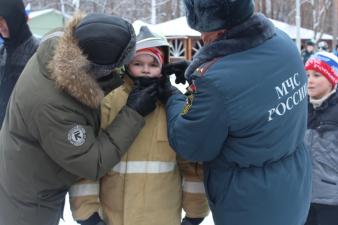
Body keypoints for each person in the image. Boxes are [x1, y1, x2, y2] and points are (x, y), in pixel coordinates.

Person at [161, 0, 312, 225]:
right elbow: (251, 86)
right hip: (293, 182)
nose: (202, 38)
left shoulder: (214, 83)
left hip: (250, 201)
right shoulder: (281, 42)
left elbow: (191, 144)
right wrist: (202, 70)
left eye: (205, 32)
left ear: (222, 30)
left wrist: (173, 96)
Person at [0, 13, 159, 225]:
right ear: (101, 68)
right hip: (28, 202)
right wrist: (133, 113)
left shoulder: (62, 47)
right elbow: (93, 162)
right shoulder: (52, 106)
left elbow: (87, 80)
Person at [69, 26, 209, 225]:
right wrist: (87, 213)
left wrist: (195, 213)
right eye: (138, 63)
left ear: (164, 66)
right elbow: (90, 160)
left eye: (153, 63)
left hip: (162, 217)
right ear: (126, 65)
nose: (145, 69)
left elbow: (190, 164)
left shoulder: (173, 106)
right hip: (115, 217)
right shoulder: (109, 103)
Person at [304, 52, 338, 225]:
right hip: (301, 199)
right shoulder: (298, 108)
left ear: (332, 78)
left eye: (317, 75)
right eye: (307, 75)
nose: (310, 80)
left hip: (332, 202)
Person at [0, 0, 39, 128]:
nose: (0, 26)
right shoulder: (2, 52)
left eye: (3, 19)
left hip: (25, 137)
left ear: (15, 17)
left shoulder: (38, 52)